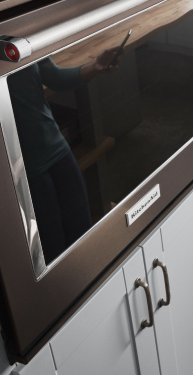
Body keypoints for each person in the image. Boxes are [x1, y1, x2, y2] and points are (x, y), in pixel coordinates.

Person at [8, 47, 123, 264]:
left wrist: (96, 67)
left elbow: (54, 77)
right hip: (24, 168)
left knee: (82, 236)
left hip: (57, 148)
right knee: (54, 252)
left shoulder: (20, 31)